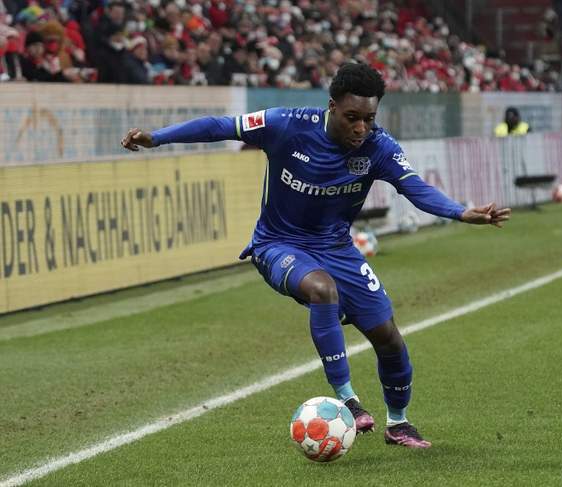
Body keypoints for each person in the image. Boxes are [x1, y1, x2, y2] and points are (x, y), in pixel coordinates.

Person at [121, 63, 511, 449]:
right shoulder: (286, 125)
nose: (361, 128)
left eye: (369, 119)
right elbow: (219, 126)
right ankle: (347, 400)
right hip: (278, 244)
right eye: (352, 117)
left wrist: (460, 212)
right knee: (323, 290)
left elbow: (415, 187)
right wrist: (157, 138)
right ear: (332, 106)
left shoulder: (379, 147)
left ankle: (399, 424)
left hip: (337, 248)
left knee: (389, 339)